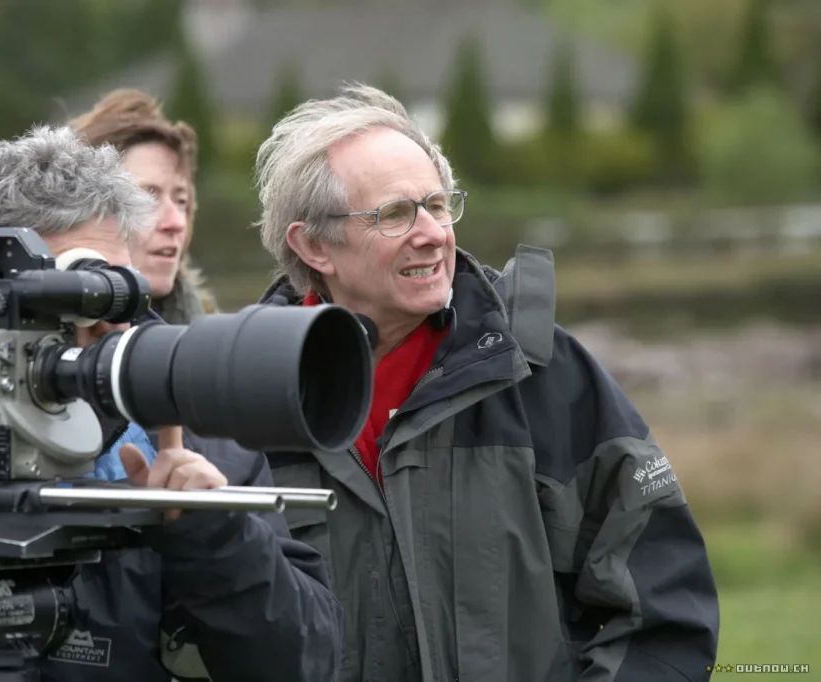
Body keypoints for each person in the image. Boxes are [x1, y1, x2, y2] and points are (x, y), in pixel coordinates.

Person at [0, 125, 341, 682]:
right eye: (72, 293)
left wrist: (210, 534)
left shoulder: (191, 454)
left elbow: (304, 663)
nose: (104, 315)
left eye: (115, 288)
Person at [252, 84, 720, 682]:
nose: (433, 233)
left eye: (438, 205)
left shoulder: (537, 373)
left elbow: (666, 611)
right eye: (395, 214)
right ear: (314, 245)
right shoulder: (247, 400)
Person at [68, 88, 219, 326]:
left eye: (181, 202)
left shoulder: (210, 338)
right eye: (146, 198)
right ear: (82, 209)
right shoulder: (21, 330)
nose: (176, 223)